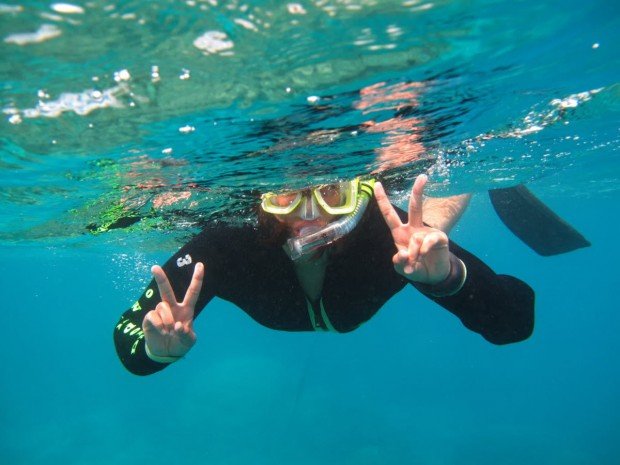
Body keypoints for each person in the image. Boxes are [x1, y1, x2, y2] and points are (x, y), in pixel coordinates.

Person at [114, 174, 534, 376]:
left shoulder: (392, 239)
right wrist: (158, 349)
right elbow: (129, 332)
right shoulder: (225, 246)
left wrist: (447, 277)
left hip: (406, 229)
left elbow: (515, 322)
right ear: (264, 199)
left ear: (358, 192)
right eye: (288, 195)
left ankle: (473, 179)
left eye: (331, 192)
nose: (309, 215)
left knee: (431, 226)